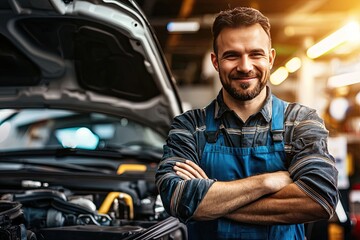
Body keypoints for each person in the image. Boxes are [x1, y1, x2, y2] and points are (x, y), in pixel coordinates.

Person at [155, 6, 339, 240]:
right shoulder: (190, 126)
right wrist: (268, 181)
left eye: (256, 54)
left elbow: (319, 198)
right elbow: (177, 198)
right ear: (215, 61)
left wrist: (209, 203)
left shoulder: (300, 122)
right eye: (232, 55)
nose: (245, 66)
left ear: (270, 58)